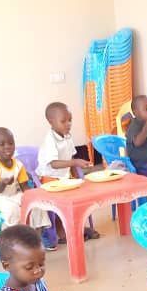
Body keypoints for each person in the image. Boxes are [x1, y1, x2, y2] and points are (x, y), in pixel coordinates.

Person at [36, 101, 98, 241]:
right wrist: (75, 162)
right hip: (50, 178)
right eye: (63, 121)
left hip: (64, 176)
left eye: (70, 120)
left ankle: (78, 228)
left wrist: (76, 175)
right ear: (51, 121)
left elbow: (70, 157)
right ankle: (62, 234)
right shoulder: (50, 140)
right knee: (60, 205)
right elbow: (54, 164)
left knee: (78, 200)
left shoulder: (67, 136)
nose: (68, 124)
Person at [0, 127, 52, 247]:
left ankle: (36, 239)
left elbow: (24, 187)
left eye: (11, 143)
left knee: (37, 206)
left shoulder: (18, 165)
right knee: (12, 210)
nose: (7, 147)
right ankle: (17, 240)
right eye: (2, 144)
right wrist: (4, 182)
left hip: (15, 194)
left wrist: (35, 196)